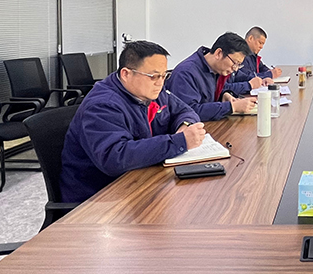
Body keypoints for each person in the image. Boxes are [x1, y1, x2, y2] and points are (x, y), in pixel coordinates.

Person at [60, 40, 206, 202]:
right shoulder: (103, 105)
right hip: (99, 197)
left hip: (139, 179)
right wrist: (179, 141)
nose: (160, 83)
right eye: (153, 76)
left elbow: (185, 110)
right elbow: (115, 158)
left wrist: (184, 126)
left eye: (164, 75)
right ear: (126, 74)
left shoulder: (152, 91)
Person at [166, 32, 257, 121]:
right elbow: (189, 111)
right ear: (218, 53)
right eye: (235, 63)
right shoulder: (186, 73)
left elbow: (209, 96)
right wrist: (231, 107)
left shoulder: (216, 70)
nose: (235, 69)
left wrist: (224, 95)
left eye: (238, 65)